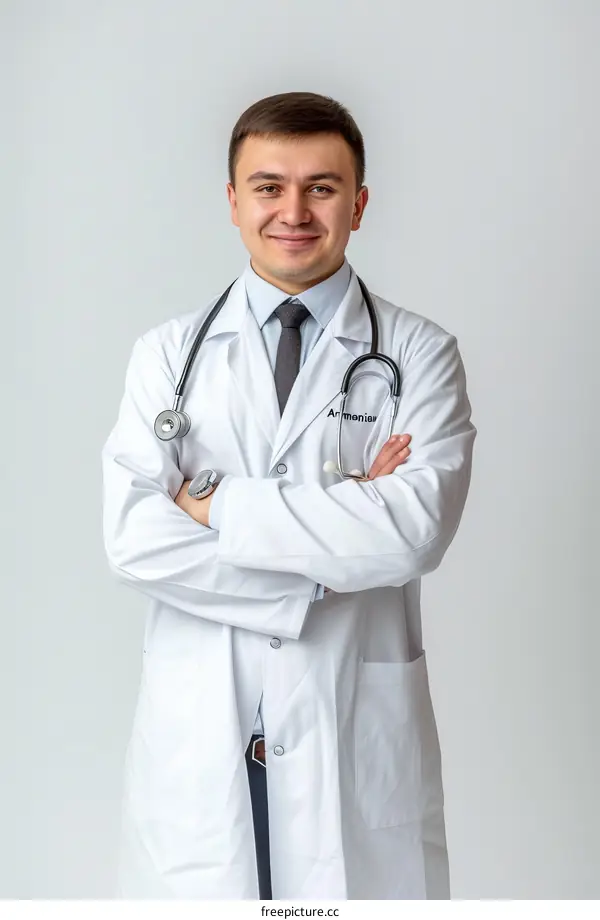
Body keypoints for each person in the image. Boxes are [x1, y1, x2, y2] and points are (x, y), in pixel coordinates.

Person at [101, 90, 477, 900]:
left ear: (359, 203)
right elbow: (133, 537)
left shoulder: (421, 354)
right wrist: (330, 555)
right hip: (202, 746)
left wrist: (213, 504)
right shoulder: (165, 357)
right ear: (233, 202)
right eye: (269, 186)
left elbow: (412, 533)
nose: (294, 211)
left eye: (323, 186)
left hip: (353, 740)